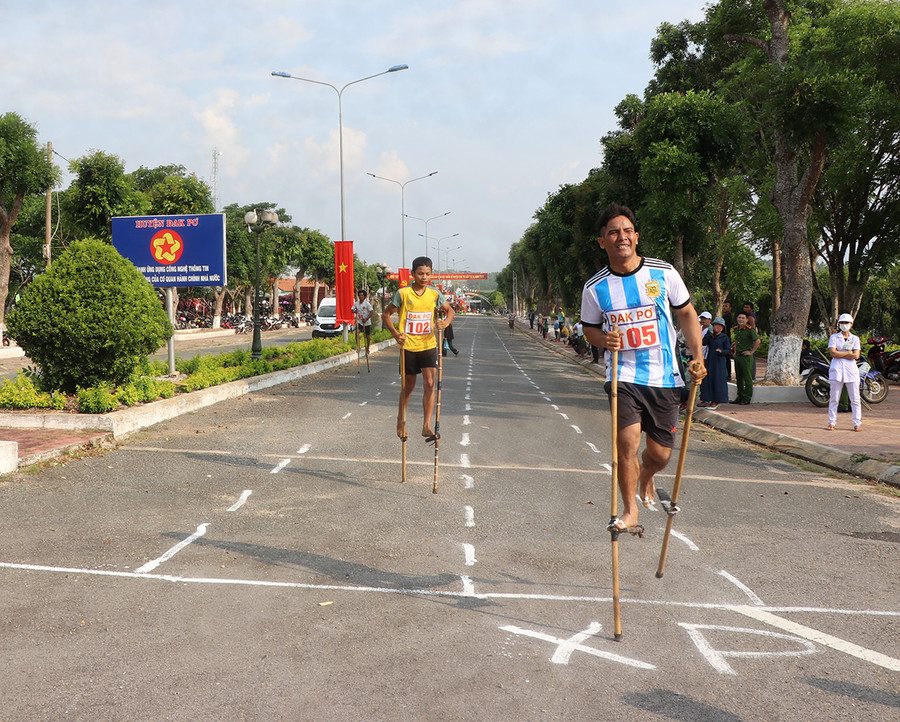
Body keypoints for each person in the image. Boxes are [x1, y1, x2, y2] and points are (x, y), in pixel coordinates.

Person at [581, 203, 706, 531]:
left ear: (636, 237)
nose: (620, 237)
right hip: (622, 376)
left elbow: (687, 314)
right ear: (602, 242)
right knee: (627, 443)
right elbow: (589, 328)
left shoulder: (662, 273)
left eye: (626, 231)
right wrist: (603, 340)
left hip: (664, 377)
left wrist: (697, 356)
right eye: (612, 233)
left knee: (661, 455)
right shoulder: (595, 288)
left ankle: (647, 476)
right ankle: (629, 511)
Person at [382, 257, 455, 441]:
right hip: (408, 347)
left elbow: (450, 311)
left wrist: (444, 322)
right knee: (409, 386)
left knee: (430, 384)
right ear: (412, 274)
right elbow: (386, 315)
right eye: (420, 273)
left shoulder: (434, 293)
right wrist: (395, 334)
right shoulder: (403, 293)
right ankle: (401, 420)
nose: (424, 277)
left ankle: (426, 425)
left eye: (428, 274)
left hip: (428, 346)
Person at [827, 313, 862, 431]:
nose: (844, 325)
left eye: (846, 323)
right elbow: (833, 353)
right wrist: (848, 353)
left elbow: (856, 355)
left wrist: (840, 353)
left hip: (851, 371)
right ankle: (832, 422)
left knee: (855, 399)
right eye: (842, 323)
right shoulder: (834, 337)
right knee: (834, 398)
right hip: (836, 370)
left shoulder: (855, 339)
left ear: (851, 324)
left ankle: (857, 423)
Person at [698, 317, 730, 409]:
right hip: (710, 360)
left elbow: (728, 350)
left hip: (719, 362)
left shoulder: (724, 337)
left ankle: (716, 401)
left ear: (722, 328)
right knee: (708, 380)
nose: (717, 327)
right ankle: (707, 399)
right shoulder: (711, 336)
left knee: (717, 380)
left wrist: (721, 351)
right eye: (715, 325)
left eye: (719, 326)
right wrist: (708, 334)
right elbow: (704, 343)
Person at [730, 312, 759, 405]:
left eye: (743, 318)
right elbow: (736, 340)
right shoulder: (737, 329)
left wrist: (751, 351)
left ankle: (747, 397)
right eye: (739, 317)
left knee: (747, 378)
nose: (740, 320)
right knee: (739, 377)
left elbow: (757, 340)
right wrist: (735, 351)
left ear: (747, 320)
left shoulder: (750, 329)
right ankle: (740, 396)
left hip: (746, 357)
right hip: (738, 356)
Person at [351, 289, 374, 357]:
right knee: (357, 333)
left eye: (362, 295)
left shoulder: (367, 304)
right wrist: (355, 311)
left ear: (364, 296)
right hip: (360, 321)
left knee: (367, 336)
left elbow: (371, 312)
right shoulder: (356, 303)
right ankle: (359, 346)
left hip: (366, 322)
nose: (360, 297)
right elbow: (352, 310)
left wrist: (366, 318)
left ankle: (367, 347)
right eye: (359, 295)